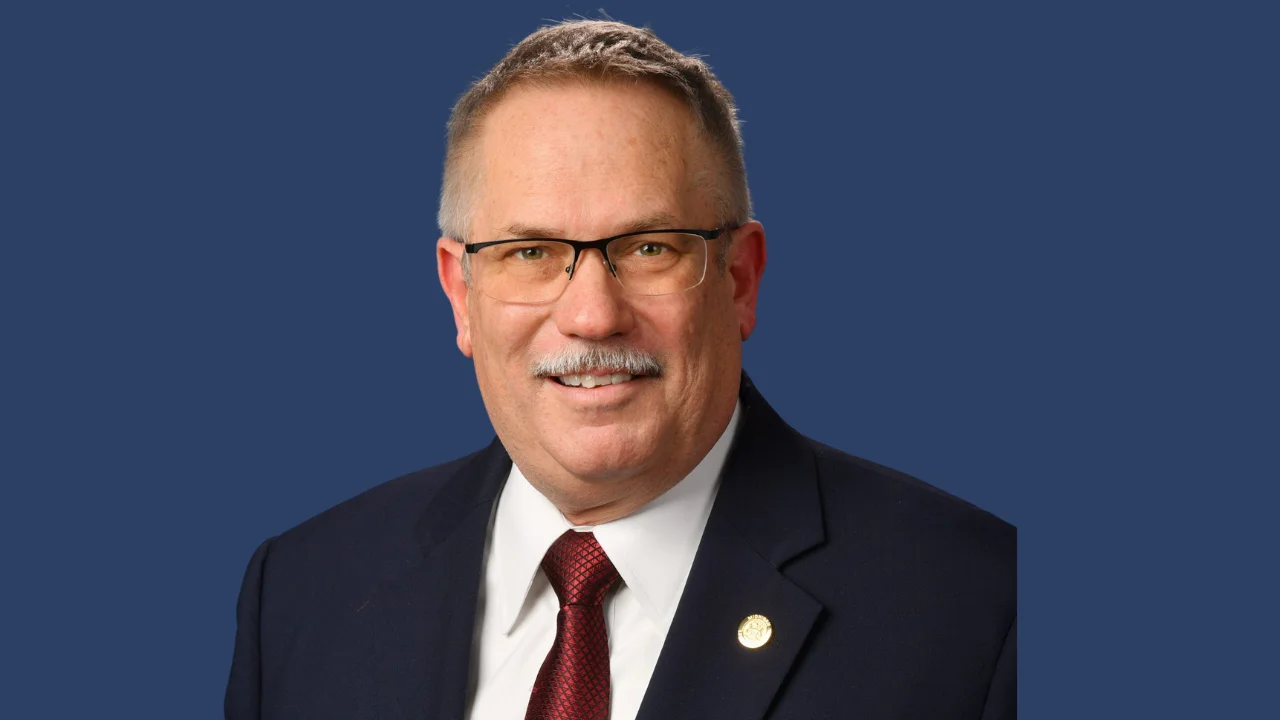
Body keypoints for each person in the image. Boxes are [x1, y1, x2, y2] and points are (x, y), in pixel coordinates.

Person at [225, 19, 1016, 720]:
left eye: (648, 248)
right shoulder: (302, 593)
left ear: (740, 279)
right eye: (530, 253)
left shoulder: (979, 607)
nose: (593, 316)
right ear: (461, 294)